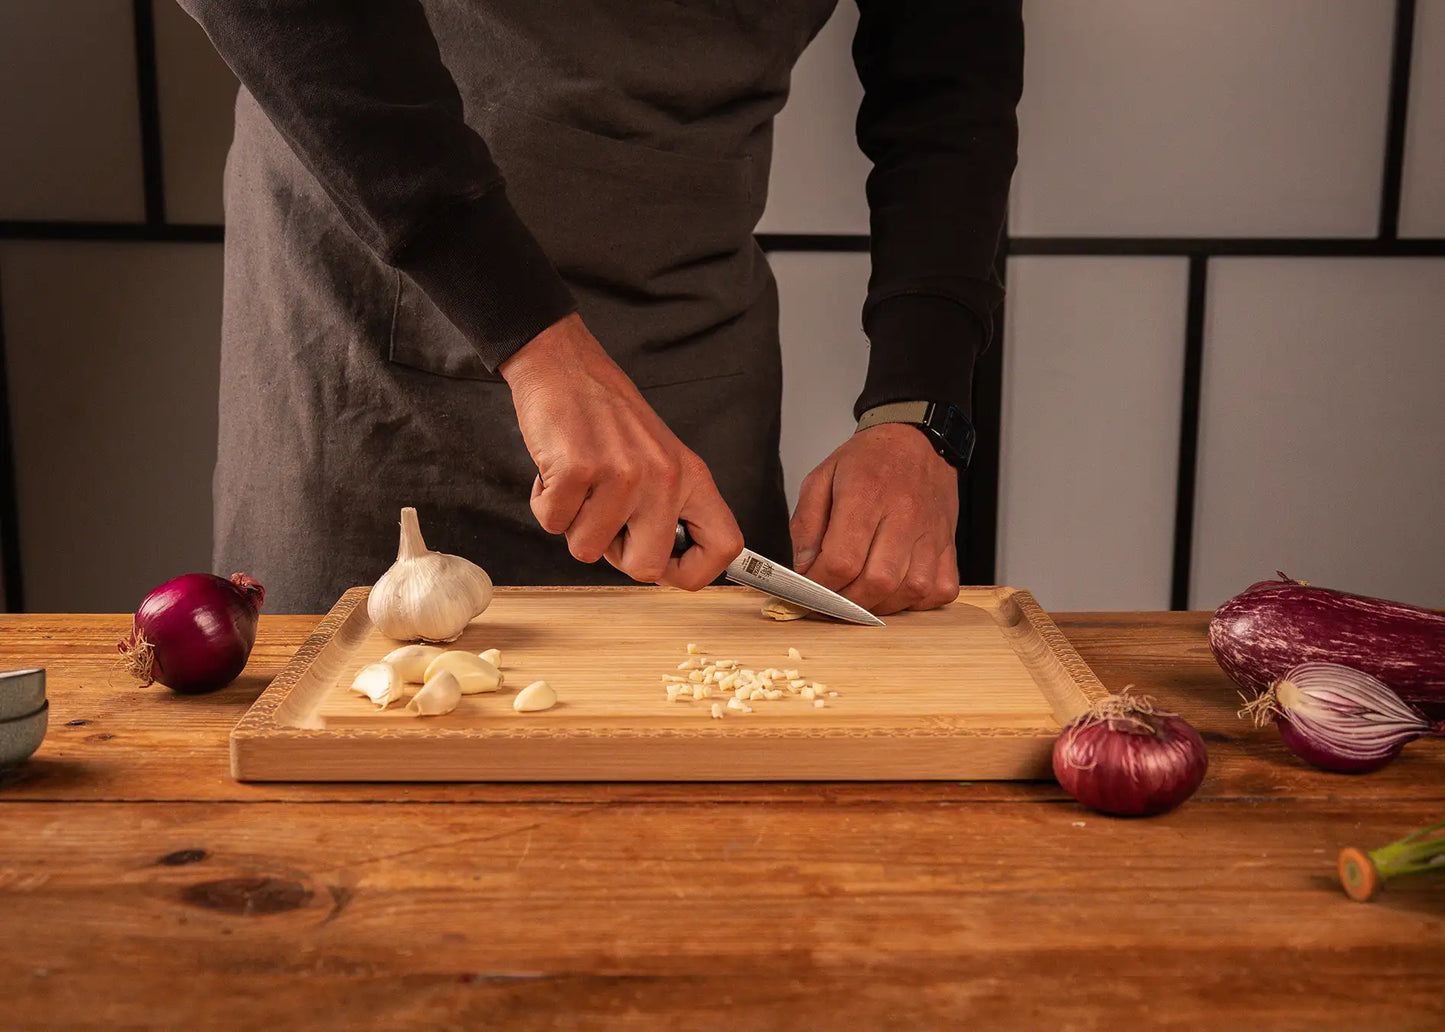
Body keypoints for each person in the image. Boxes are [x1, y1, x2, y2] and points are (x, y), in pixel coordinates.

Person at [181, 0, 1022, 615]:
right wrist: (533, 339)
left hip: (689, 360)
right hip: (369, 352)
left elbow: (951, 90)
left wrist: (919, 411)